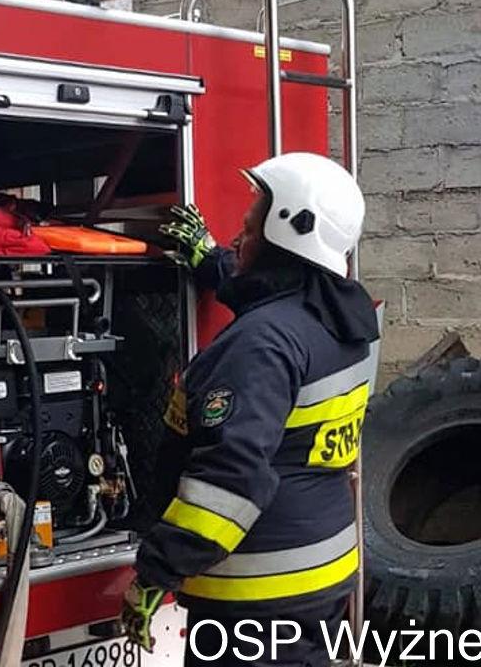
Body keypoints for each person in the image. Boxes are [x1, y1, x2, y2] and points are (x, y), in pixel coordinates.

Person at [120, 152, 380, 666]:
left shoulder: (261, 345)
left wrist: (156, 573)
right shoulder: (341, 320)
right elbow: (274, 296)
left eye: (249, 229)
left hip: (256, 599)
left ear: (286, 234)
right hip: (318, 572)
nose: (238, 238)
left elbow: (229, 482)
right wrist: (212, 261)